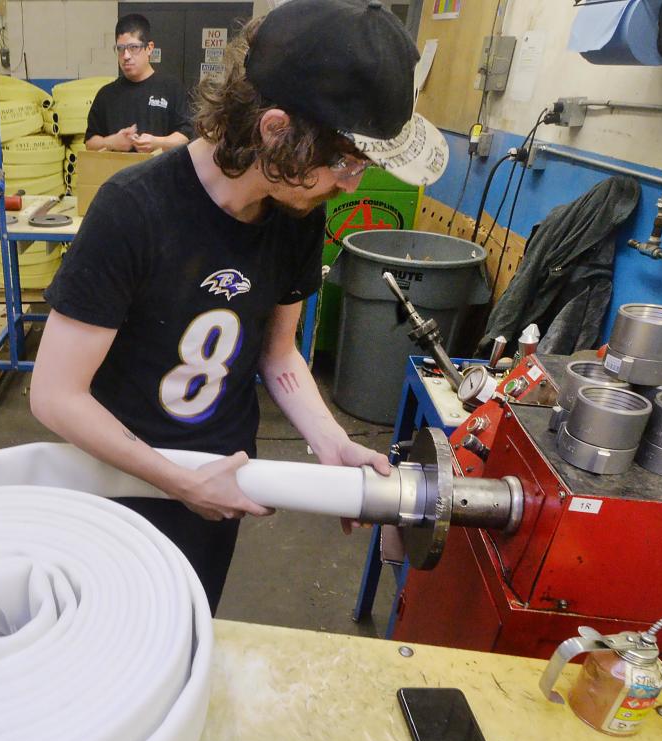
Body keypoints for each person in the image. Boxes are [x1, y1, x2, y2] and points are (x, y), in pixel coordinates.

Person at [30, 0, 449, 613]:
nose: (353, 184)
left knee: (191, 629)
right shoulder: (134, 210)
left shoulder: (296, 208)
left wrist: (330, 442)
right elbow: (54, 394)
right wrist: (176, 480)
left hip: (222, 480)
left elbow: (277, 353)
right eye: (346, 162)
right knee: (113, 634)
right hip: (120, 479)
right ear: (276, 129)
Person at [84, 14, 193, 154]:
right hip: (119, 173)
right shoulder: (106, 95)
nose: (126, 56)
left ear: (149, 48)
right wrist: (112, 142)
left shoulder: (172, 89)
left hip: (161, 173)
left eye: (134, 47)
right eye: (120, 49)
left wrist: (157, 143)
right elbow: (90, 142)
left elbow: (185, 137)